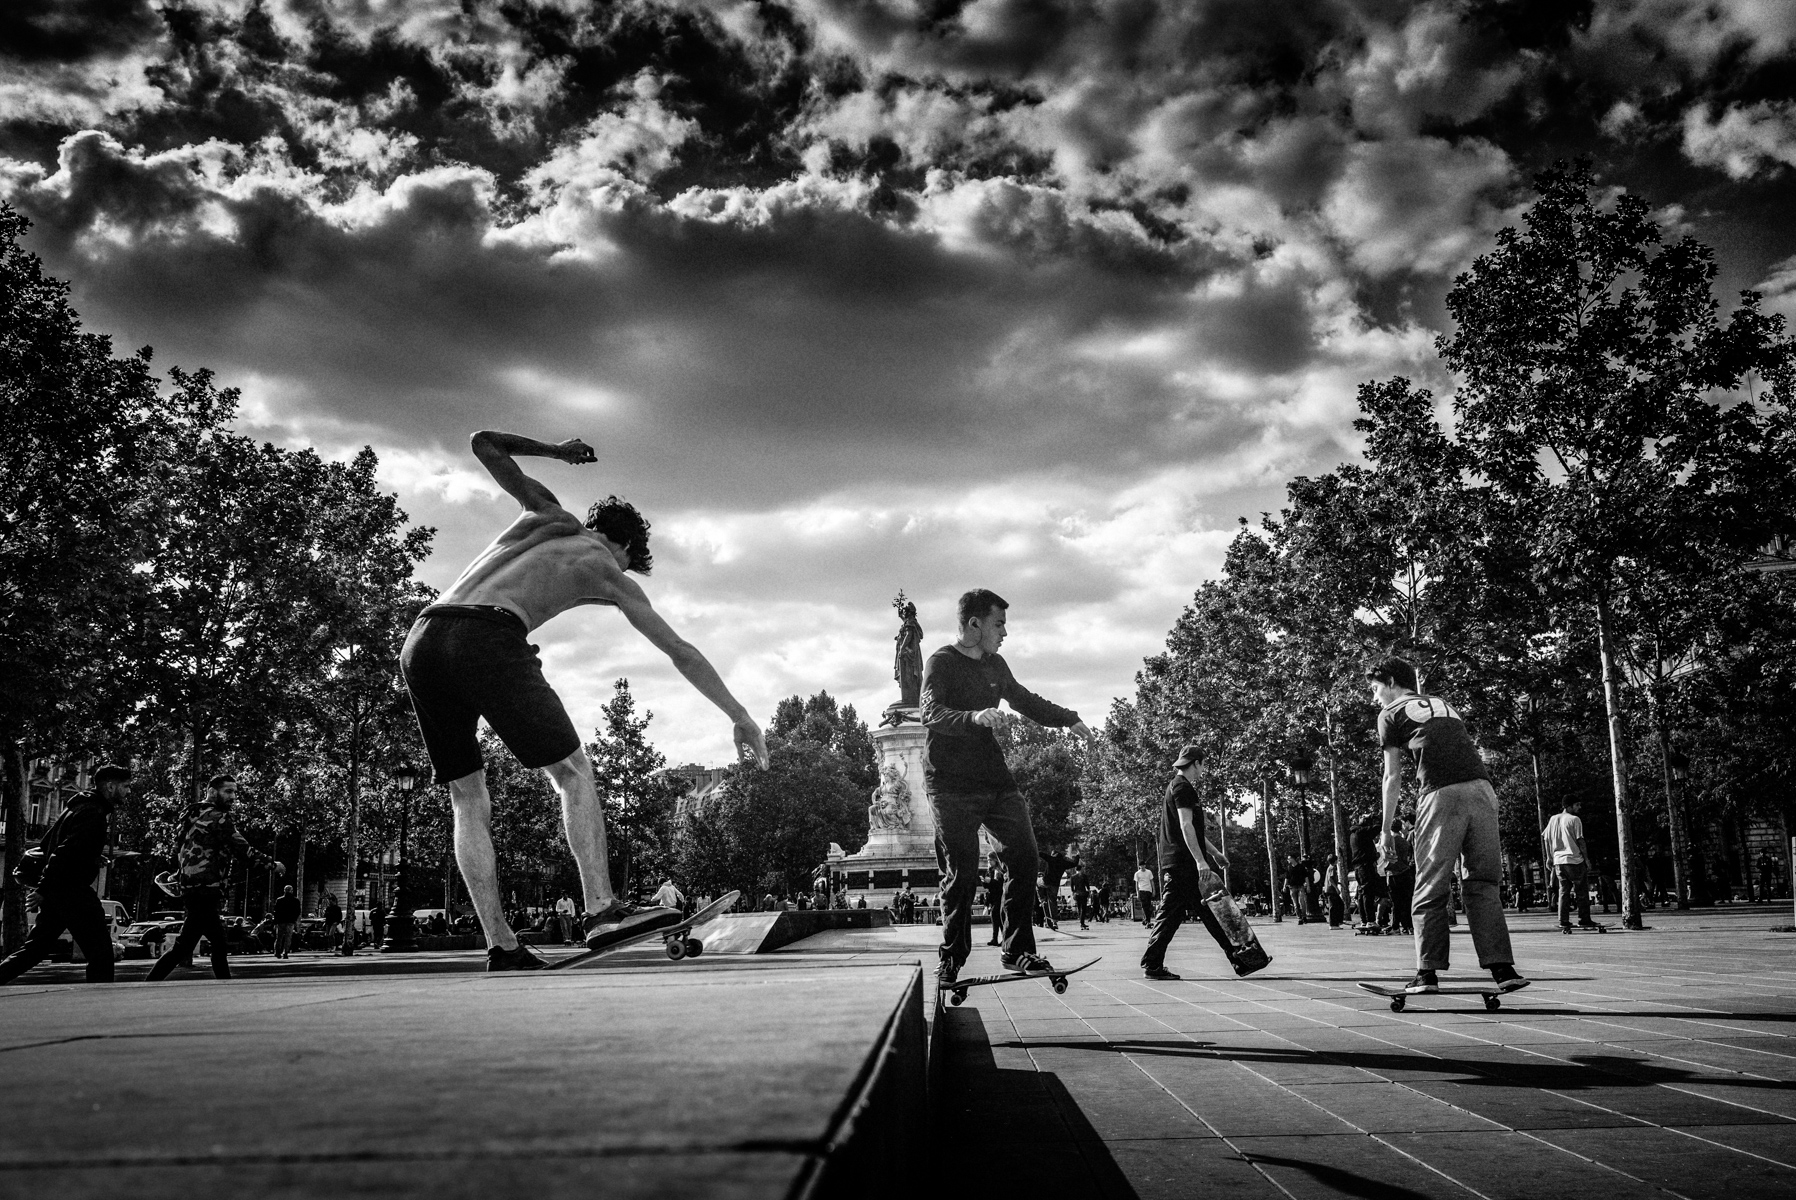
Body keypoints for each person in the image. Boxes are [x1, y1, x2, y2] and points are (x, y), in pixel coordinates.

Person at [399, 429, 768, 972]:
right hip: (489, 636)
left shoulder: (546, 513)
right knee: (573, 771)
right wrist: (739, 716)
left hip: (423, 639)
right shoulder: (605, 567)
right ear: (621, 549)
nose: (611, 585)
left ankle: (500, 943)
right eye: (623, 568)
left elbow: (483, 443)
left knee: (467, 795)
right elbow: (679, 651)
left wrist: (555, 452)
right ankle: (602, 910)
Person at [922, 588, 1091, 987]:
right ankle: (951, 958)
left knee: (1026, 857)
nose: (1005, 632)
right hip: (948, 783)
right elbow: (930, 712)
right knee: (961, 871)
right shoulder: (940, 662)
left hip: (995, 780)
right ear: (974, 624)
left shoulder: (996, 665)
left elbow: (1024, 700)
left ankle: (1018, 948)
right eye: (999, 624)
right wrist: (975, 716)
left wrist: (1069, 718)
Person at [1370, 658, 1527, 995]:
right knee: (1483, 882)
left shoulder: (1390, 713)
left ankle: (1427, 973)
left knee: (1430, 884)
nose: (1375, 697)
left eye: (1375, 688)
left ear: (1392, 681)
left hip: (1441, 795)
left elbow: (1392, 775)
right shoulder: (1444, 704)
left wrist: (1385, 830)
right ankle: (1503, 969)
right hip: (1483, 792)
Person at [1141, 745, 1267, 980]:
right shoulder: (1183, 788)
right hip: (1184, 863)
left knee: (1192, 913)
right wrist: (1201, 861)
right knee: (1205, 912)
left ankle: (1241, 960)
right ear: (1196, 763)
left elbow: (1194, 832)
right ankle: (1241, 959)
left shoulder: (1176, 786)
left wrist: (1215, 854)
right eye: (1203, 764)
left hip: (1179, 861)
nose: (1204, 770)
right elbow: (1186, 825)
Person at [0, 763, 132, 986]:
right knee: (101, 952)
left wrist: (91, 856)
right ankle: (101, 1003)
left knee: (34, 950)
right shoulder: (93, 812)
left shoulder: (75, 807)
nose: (128, 791)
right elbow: (63, 852)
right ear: (110, 786)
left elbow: (49, 844)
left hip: (60, 891)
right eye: (126, 786)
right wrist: (44, 888)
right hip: (72, 890)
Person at [147, 775, 285, 983]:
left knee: (213, 941)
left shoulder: (189, 814)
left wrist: (181, 874)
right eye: (228, 791)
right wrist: (272, 865)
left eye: (235, 792)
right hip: (207, 886)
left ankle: (224, 984)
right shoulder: (219, 817)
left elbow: (180, 850)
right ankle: (152, 981)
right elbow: (243, 849)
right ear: (212, 792)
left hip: (191, 886)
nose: (233, 797)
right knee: (193, 944)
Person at [1543, 798, 1604, 932]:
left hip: (1558, 861)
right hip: (1574, 859)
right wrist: (1586, 859)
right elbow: (1580, 840)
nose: (1579, 807)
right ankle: (1584, 919)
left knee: (1563, 891)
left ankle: (1563, 920)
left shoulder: (1553, 819)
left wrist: (1549, 857)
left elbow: (1546, 839)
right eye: (1577, 804)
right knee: (1581, 890)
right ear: (1569, 806)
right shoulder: (1574, 820)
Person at [1349, 809, 1386, 929]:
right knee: (1368, 893)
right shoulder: (1362, 832)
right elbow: (1378, 826)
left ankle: (1364, 920)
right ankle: (1370, 920)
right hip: (1365, 866)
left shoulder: (1354, 833)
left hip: (1359, 866)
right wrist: (1375, 816)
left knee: (1361, 893)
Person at [1385, 816, 1415, 935]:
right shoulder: (1405, 841)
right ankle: (1408, 926)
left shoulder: (1388, 841)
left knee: (1396, 902)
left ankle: (1396, 925)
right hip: (1405, 872)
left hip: (1393, 874)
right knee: (1407, 901)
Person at [271, 885, 301, 958]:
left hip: (281, 921)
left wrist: (275, 921)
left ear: (284, 891)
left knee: (279, 937)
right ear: (292, 891)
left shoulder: (280, 900)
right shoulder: (295, 900)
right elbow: (298, 911)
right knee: (288, 938)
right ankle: (285, 952)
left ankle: (277, 952)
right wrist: (294, 919)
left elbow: (276, 911)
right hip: (290, 921)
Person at [1068, 860, 1091, 930]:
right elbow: (1087, 885)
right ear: (1081, 869)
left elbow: (1072, 887)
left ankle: (1081, 922)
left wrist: (1074, 892)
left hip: (1077, 894)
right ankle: (1082, 923)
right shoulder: (1084, 876)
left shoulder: (1072, 877)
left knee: (1078, 908)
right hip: (1083, 893)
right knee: (1083, 909)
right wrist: (1089, 891)